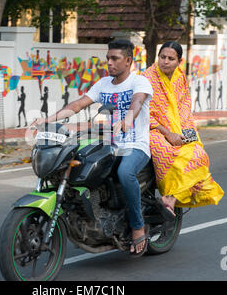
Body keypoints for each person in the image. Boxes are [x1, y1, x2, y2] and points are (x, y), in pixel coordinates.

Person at [32, 39, 153, 257]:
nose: (109, 63)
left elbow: (136, 103)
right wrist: (48, 120)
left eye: (115, 58)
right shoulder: (103, 84)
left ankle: (137, 227)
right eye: (108, 58)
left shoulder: (140, 82)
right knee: (77, 164)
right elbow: (77, 105)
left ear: (128, 60)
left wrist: (127, 120)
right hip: (108, 144)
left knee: (125, 173)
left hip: (135, 144)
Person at [141, 41, 224, 218]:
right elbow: (143, 111)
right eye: (162, 57)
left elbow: (184, 106)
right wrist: (167, 133)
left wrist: (185, 132)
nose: (165, 61)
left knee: (199, 154)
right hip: (153, 128)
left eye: (171, 58)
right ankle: (170, 195)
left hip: (179, 127)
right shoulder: (146, 78)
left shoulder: (180, 77)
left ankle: (171, 198)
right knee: (166, 152)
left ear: (179, 61)